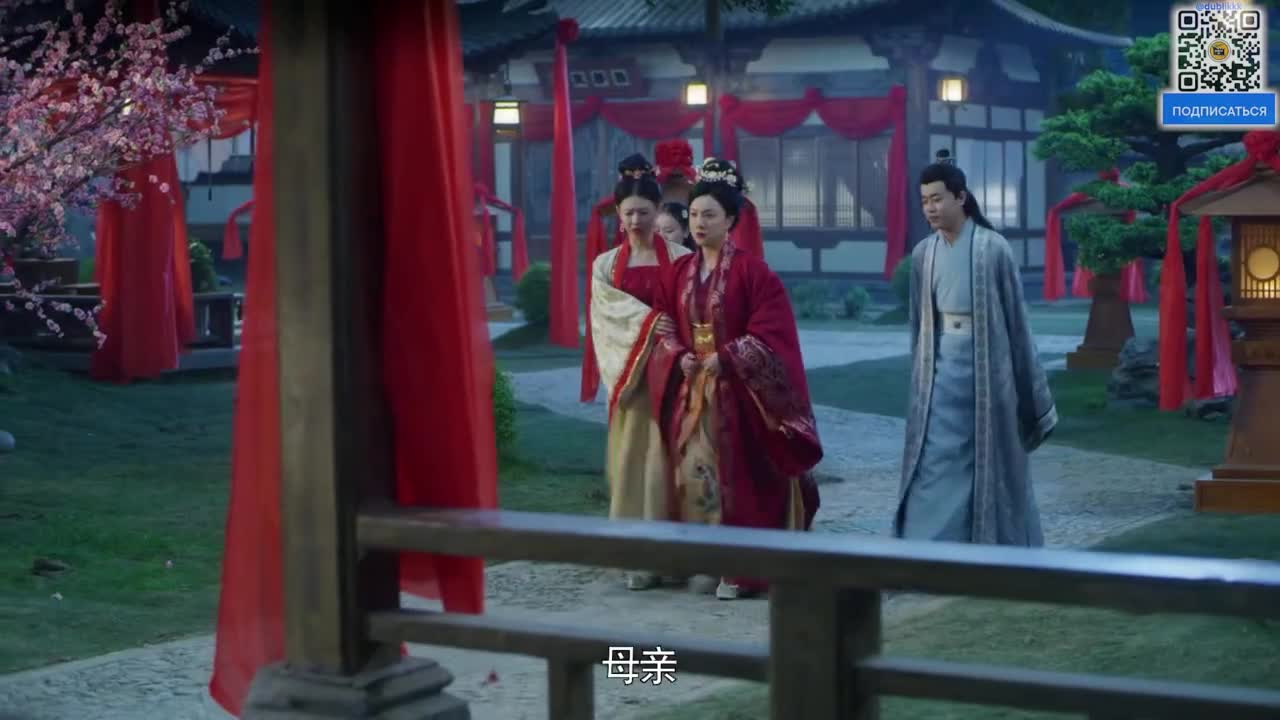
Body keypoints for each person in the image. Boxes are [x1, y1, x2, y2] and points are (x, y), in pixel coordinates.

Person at [649, 158, 822, 601]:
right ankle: (704, 558)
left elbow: (773, 333)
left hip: (741, 397)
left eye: (709, 215)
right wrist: (678, 354)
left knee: (742, 479)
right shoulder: (678, 272)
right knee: (692, 474)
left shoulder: (754, 273)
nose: (699, 223)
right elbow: (664, 322)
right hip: (693, 392)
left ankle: (745, 570)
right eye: (694, 214)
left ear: (730, 220)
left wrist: (728, 357)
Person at [895, 150, 1057, 546]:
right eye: (924, 201)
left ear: (960, 197)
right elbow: (919, 324)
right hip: (940, 372)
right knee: (933, 459)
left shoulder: (993, 248)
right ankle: (927, 546)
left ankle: (989, 546)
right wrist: (920, 377)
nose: (930, 208)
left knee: (990, 461)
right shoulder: (924, 254)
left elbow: (1017, 324)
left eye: (937, 199)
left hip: (987, 373)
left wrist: (1029, 393)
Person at [587, 153, 693, 591]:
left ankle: (678, 557)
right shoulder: (606, 265)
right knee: (634, 461)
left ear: (658, 210)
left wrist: (675, 338)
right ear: (618, 213)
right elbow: (605, 320)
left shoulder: (683, 258)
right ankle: (637, 558)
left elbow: (694, 312)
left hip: (676, 376)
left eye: (643, 213)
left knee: (675, 460)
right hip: (633, 377)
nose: (635, 221)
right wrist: (649, 324)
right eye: (628, 213)